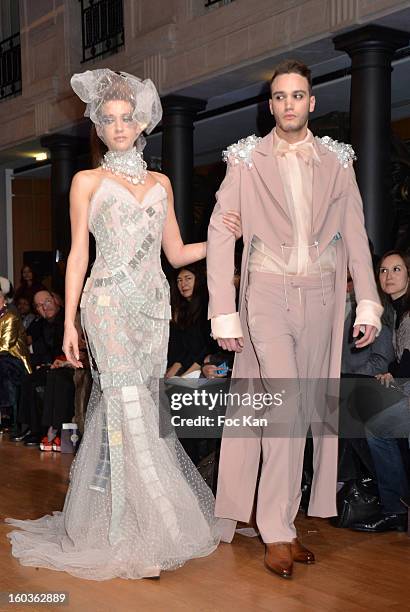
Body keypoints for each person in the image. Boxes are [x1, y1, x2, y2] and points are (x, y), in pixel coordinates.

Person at [6, 69, 240, 581]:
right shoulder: (86, 181)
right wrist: (69, 321)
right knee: (129, 408)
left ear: (142, 122)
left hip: (154, 308)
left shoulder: (161, 183)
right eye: (107, 119)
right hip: (107, 303)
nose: (117, 126)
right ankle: (146, 528)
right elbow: (77, 258)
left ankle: (127, 521)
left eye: (126, 117)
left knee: (137, 410)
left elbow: (176, 252)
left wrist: (225, 238)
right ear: (97, 124)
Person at [206, 59, 383, 579]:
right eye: (279, 96)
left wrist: (368, 301)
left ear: (312, 101)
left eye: (297, 95)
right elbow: (220, 232)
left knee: (300, 413)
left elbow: (355, 233)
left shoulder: (338, 160)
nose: (288, 104)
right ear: (271, 105)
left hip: (323, 299)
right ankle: (278, 534)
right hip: (265, 295)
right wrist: (223, 311)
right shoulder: (244, 160)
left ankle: (276, 519)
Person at [349, 250, 410, 532]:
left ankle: (395, 508)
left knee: (376, 427)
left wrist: (395, 374)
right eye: (384, 271)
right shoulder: (395, 311)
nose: (389, 276)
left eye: (397, 270)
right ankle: (394, 505)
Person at [11, 289, 65, 445]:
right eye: (40, 305)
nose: (45, 307)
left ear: (55, 300)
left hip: (65, 365)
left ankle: (38, 430)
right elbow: (32, 343)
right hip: (49, 365)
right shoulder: (40, 323)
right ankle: (28, 427)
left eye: (47, 302)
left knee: (36, 381)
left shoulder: (65, 319)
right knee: (27, 379)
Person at [166, 264, 217, 378]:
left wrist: (185, 375)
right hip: (190, 363)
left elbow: (207, 346)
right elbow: (185, 348)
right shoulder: (183, 310)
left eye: (188, 278)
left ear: (198, 280)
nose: (183, 284)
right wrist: (175, 368)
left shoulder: (208, 305)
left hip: (209, 363)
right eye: (179, 280)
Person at [0, 287, 32, 432]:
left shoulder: (10, 317)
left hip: (15, 359)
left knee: (4, 368)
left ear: (4, 300)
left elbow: (6, 346)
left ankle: (10, 417)